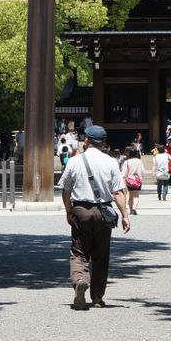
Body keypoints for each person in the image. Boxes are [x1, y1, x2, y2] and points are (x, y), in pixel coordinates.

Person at [59, 125, 130, 309]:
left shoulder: (74, 161)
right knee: (101, 255)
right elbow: (119, 193)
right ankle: (97, 297)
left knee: (79, 252)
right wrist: (125, 215)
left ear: (87, 141)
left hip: (81, 210)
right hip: (103, 212)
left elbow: (65, 190)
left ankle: (81, 280)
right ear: (104, 143)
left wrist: (68, 211)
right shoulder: (111, 162)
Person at [121, 146, 144, 215]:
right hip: (138, 180)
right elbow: (142, 172)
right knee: (136, 196)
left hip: (129, 181)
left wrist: (123, 182)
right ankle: (134, 208)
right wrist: (141, 177)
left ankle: (131, 210)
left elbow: (123, 174)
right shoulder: (140, 161)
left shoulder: (127, 162)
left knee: (130, 196)